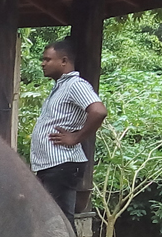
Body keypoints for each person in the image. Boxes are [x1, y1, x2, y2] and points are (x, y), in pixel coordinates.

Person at [30, 38, 108, 226]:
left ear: (64, 61)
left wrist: (75, 138)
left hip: (62, 163)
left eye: (47, 59)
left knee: (59, 220)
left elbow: (99, 111)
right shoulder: (60, 87)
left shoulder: (76, 85)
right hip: (50, 164)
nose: (43, 63)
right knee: (51, 219)